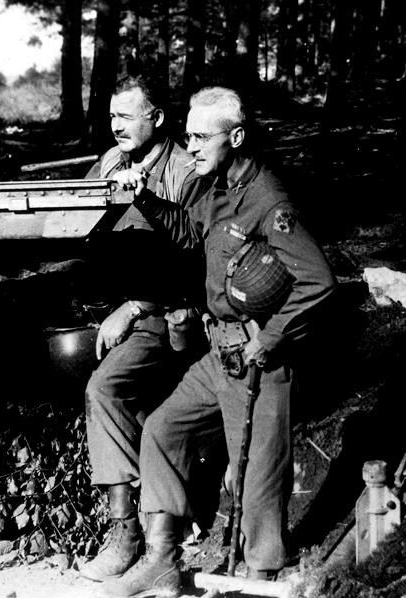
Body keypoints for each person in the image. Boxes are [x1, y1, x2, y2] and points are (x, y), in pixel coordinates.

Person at [100, 86, 336, 598]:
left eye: (202, 137)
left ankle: (261, 575)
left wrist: (271, 338)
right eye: (187, 136)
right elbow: (190, 232)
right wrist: (143, 197)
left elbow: (318, 281)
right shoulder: (213, 187)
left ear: (237, 136)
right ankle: (163, 559)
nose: (193, 146)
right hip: (219, 353)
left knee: (257, 476)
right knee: (162, 430)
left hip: (259, 360)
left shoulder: (268, 199)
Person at [79, 75, 208, 582]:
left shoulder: (185, 170)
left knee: (104, 388)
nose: (117, 127)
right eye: (112, 117)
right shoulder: (110, 164)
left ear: (156, 118)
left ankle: (129, 534)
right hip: (123, 309)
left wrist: (133, 306)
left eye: (127, 116)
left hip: (172, 313)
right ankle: (136, 529)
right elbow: (82, 224)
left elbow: (200, 257)